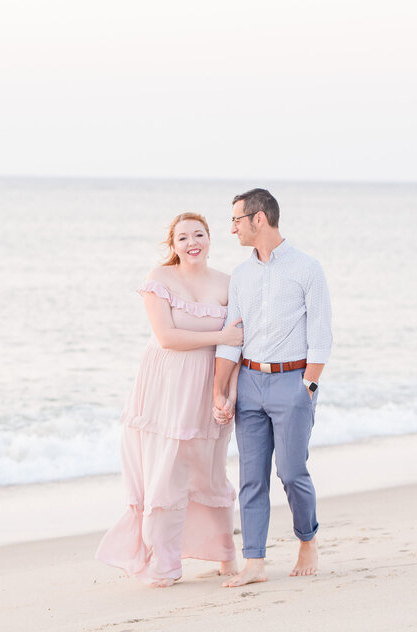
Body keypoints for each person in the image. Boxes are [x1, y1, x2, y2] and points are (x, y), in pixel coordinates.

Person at [96, 212, 244, 587]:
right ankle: (164, 565)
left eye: (199, 234)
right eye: (183, 238)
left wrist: (229, 394)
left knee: (210, 473)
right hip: (163, 388)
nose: (192, 242)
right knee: (165, 474)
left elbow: (240, 344)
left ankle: (226, 556)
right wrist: (219, 338)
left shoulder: (230, 284)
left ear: (210, 239)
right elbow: (166, 337)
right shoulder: (158, 280)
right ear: (173, 245)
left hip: (207, 388)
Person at [212, 188, 332, 587]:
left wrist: (307, 387)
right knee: (251, 477)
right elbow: (232, 338)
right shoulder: (242, 275)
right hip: (249, 382)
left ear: (258, 219)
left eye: (236, 220)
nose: (232, 229)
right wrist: (221, 390)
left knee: (292, 471)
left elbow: (321, 337)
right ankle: (255, 562)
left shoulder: (307, 269)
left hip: (291, 382)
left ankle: (307, 539)